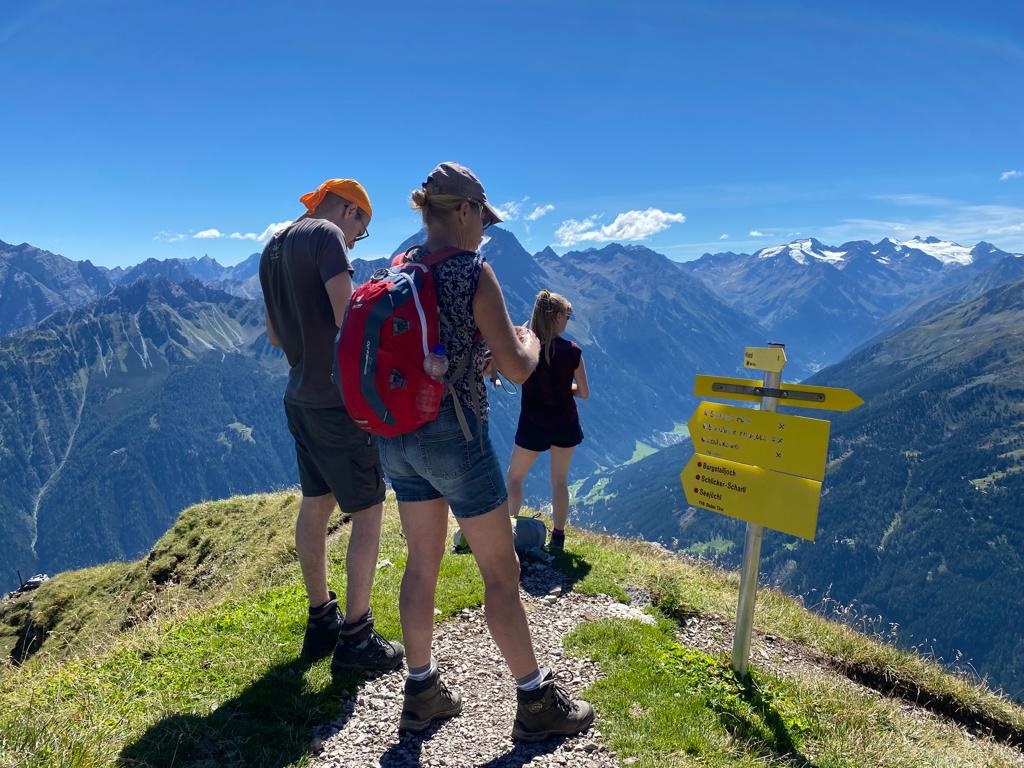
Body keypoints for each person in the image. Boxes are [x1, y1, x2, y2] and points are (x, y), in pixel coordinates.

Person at [376, 162, 595, 741]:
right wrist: (526, 336)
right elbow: (521, 368)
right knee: (502, 571)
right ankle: (534, 701)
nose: (484, 231)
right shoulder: (472, 271)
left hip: (396, 438)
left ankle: (420, 691)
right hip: (456, 437)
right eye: (483, 218)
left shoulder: (398, 267)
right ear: (466, 210)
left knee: (422, 563)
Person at [259, 179, 404, 676]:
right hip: (337, 403)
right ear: (349, 210)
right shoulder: (325, 237)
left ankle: (321, 617)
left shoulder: (273, 245)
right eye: (359, 231)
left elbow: (276, 334)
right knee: (367, 510)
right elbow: (350, 318)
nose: (355, 242)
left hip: (298, 396)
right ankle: (357, 638)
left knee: (316, 504)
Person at [506, 290, 589, 550]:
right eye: (568, 314)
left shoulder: (526, 349)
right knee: (559, 481)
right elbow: (584, 393)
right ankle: (558, 536)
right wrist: (565, 388)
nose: (569, 319)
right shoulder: (573, 351)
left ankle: (510, 532)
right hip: (565, 422)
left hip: (533, 423)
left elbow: (516, 378)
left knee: (515, 478)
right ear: (556, 317)